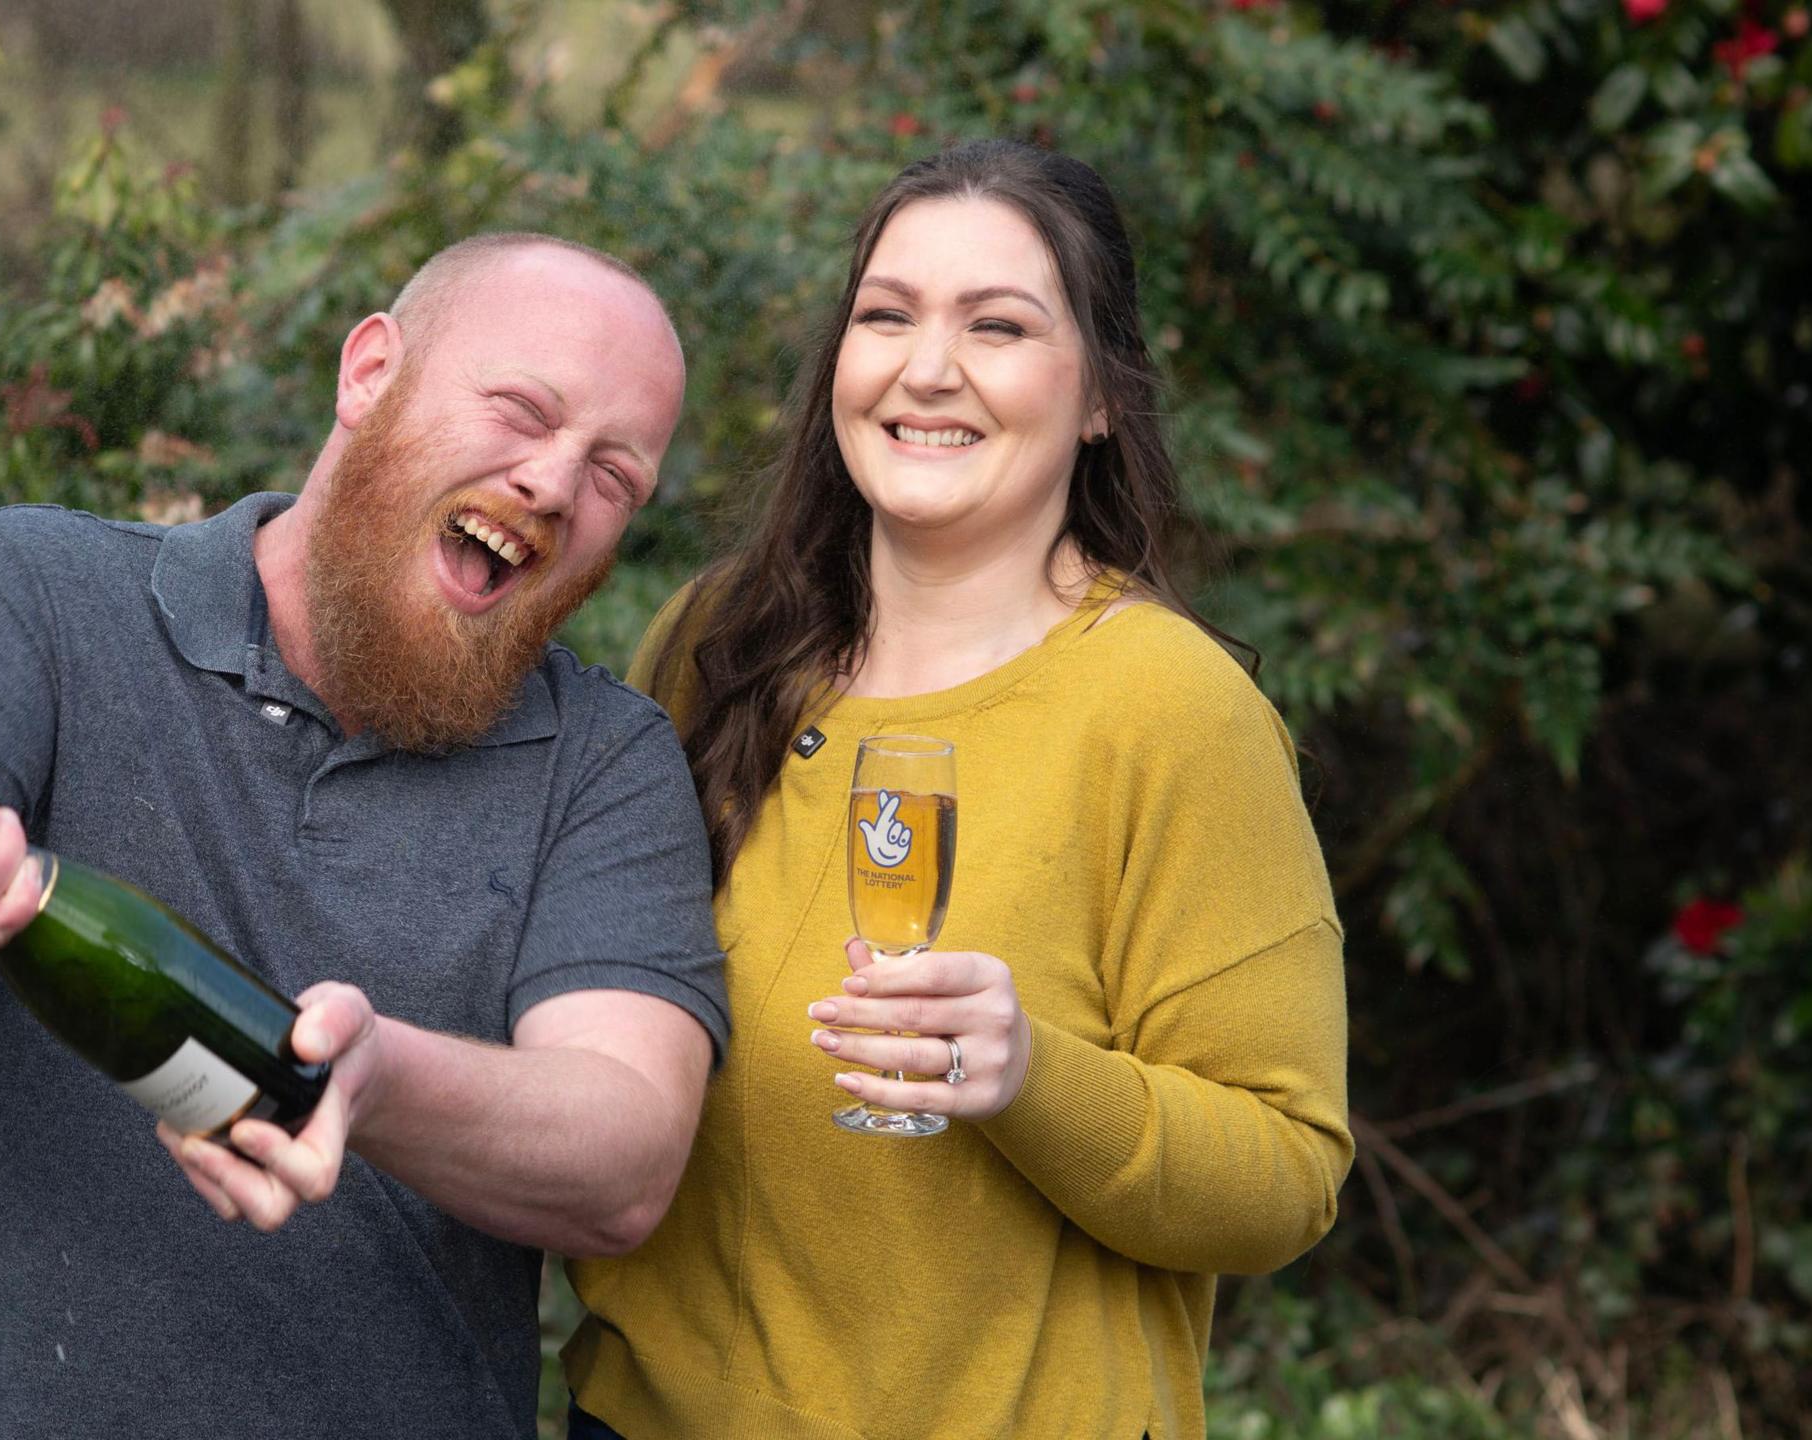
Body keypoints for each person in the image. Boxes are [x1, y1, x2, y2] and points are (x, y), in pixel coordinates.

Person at [0, 233, 728, 1439]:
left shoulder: (606, 760)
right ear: (369, 373)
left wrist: (368, 1079)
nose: (556, 485)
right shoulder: (34, 595)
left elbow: (624, 1159)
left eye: (616, 475)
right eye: (521, 409)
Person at [561, 140, 1354, 1440]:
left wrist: (1034, 1078)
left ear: (1100, 396)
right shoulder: (715, 647)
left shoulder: (1171, 711)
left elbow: (1286, 1174)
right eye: (888, 316)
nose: (928, 368)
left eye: (998, 325)